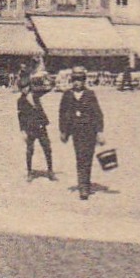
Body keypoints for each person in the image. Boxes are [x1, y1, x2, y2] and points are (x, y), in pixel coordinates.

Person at [58, 67, 105, 200]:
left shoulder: (90, 94)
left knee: (87, 158)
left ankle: (85, 183)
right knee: (80, 157)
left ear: (84, 81)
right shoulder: (67, 95)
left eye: (79, 80)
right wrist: (63, 131)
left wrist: (100, 131)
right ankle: (83, 187)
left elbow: (98, 114)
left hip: (89, 131)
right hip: (76, 132)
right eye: (74, 80)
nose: (77, 83)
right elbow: (62, 114)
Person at [17, 78, 54, 179]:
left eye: (26, 87)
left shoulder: (35, 94)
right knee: (30, 150)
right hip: (30, 128)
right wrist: (23, 130)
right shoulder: (20, 100)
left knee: (47, 148)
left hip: (41, 126)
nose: (24, 89)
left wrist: (48, 80)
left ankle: (50, 171)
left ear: (29, 86)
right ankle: (29, 172)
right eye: (22, 88)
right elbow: (20, 116)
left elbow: (48, 88)